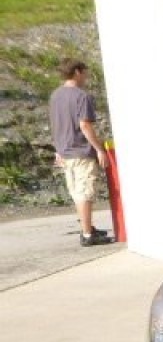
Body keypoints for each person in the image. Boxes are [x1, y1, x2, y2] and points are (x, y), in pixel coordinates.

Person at [49, 58, 110, 246]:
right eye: (85, 71)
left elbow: (56, 124)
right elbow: (84, 125)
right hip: (81, 150)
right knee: (85, 192)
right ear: (77, 72)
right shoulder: (81, 96)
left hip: (65, 151)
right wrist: (99, 149)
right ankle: (87, 234)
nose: (87, 76)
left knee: (77, 192)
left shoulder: (56, 96)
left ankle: (88, 227)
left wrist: (58, 149)